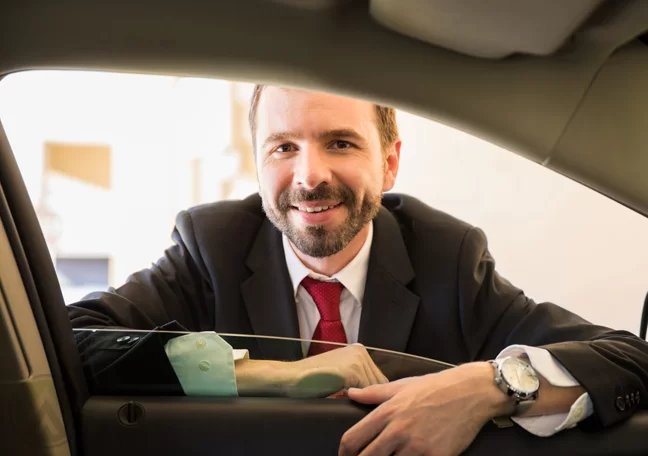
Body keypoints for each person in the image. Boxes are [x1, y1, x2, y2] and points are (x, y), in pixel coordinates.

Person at [68, 84, 648, 455]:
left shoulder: (448, 257)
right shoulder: (208, 247)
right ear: (259, 162)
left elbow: (628, 357)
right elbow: (75, 342)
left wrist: (488, 385)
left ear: (389, 162)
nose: (308, 175)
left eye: (340, 143)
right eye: (283, 147)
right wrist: (278, 376)